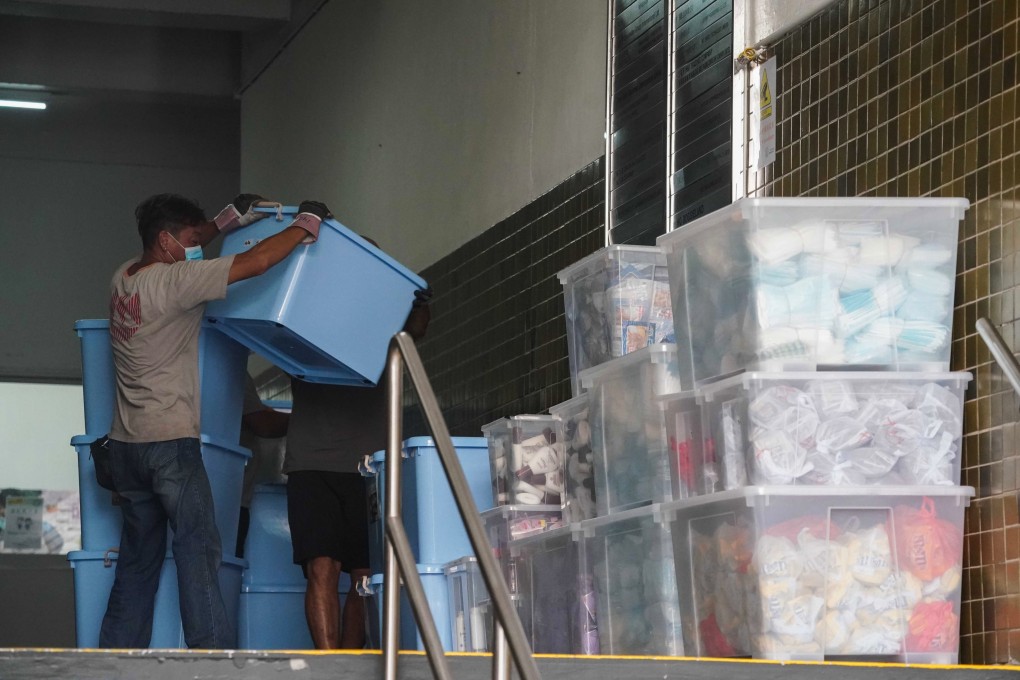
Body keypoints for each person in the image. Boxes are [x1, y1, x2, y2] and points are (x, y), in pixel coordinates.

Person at [100, 193, 331, 649]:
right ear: (166, 242)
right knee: (199, 552)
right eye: (189, 240)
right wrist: (307, 222)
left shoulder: (123, 278)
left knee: (137, 562)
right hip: (169, 446)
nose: (197, 247)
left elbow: (199, 236)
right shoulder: (176, 281)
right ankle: (212, 662)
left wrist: (229, 218)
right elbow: (259, 261)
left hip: (125, 446)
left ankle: (114, 663)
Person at [284, 280, 432, 649]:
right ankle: (329, 667)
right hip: (311, 463)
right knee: (322, 568)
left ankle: (349, 663)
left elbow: (417, 328)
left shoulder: (384, 321)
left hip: (370, 466)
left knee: (365, 576)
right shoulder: (303, 317)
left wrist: (413, 294)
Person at [236, 373, 290, 558]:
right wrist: (305, 421)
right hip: (232, 498)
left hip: (229, 493)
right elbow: (262, 424)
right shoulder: (232, 369)